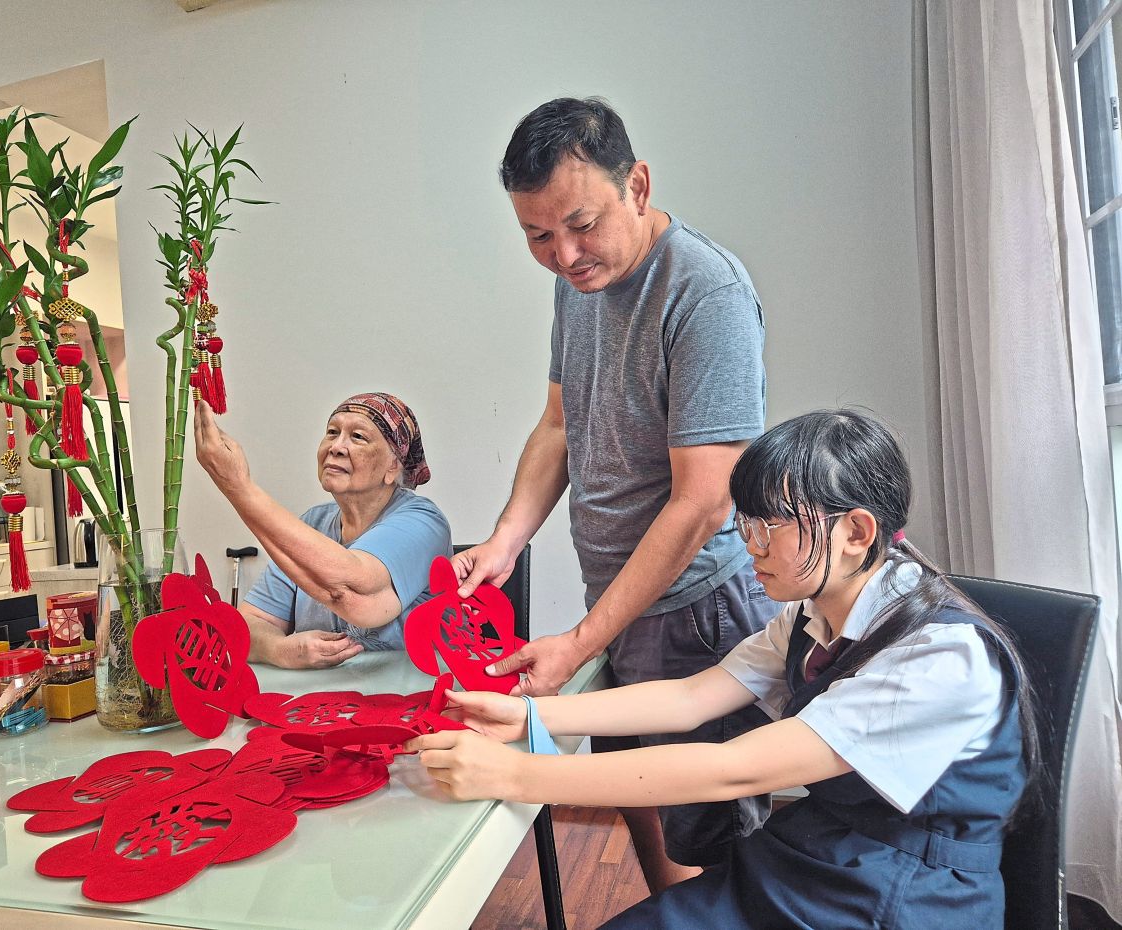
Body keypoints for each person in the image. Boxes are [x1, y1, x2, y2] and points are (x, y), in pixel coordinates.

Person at [409, 409, 1040, 929]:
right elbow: (690, 697)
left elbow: (728, 769)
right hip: (818, 857)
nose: (752, 545)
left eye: (775, 525)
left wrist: (518, 775)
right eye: (747, 521)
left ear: (856, 531)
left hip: (904, 893)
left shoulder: (938, 660)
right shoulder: (815, 611)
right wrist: (529, 712)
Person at [451, 96, 775, 886]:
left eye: (581, 224)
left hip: (698, 610)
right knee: (642, 816)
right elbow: (559, 424)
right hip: (620, 606)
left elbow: (702, 502)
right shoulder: (581, 282)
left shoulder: (706, 293)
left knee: (715, 850)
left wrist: (579, 641)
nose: (564, 254)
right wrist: (504, 542)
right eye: (538, 235)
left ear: (636, 184)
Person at [194, 391, 451, 669]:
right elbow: (250, 622)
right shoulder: (312, 523)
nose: (337, 446)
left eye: (358, 437)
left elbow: (353, 589)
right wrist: (278, 649)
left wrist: (238, 487)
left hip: (411, 698)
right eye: (332, 432)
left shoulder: (423, 521)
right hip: (320, 702)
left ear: (393, 466)